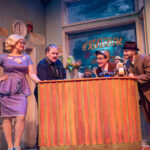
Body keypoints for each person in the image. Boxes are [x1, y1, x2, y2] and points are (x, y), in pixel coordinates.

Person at [0, 34, 41, 150]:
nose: (23, 45)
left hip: (21, 90)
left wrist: (41, 82)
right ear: (13, 43)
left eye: (23, 43)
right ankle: (9, 146)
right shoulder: (3, 57)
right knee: (7, 117)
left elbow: (31, 73)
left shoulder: (27, 57)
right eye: (20, 42)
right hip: (6, 90)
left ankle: (17, 145)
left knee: (21, 117)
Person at [123, 41, 150, 121]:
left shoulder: (145, 58)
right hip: (142, 95)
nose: (124, 53)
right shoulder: (127, 63)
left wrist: (135, 78)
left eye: (126, 51)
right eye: (124, 51)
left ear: (134, 51)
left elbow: (149, 75)